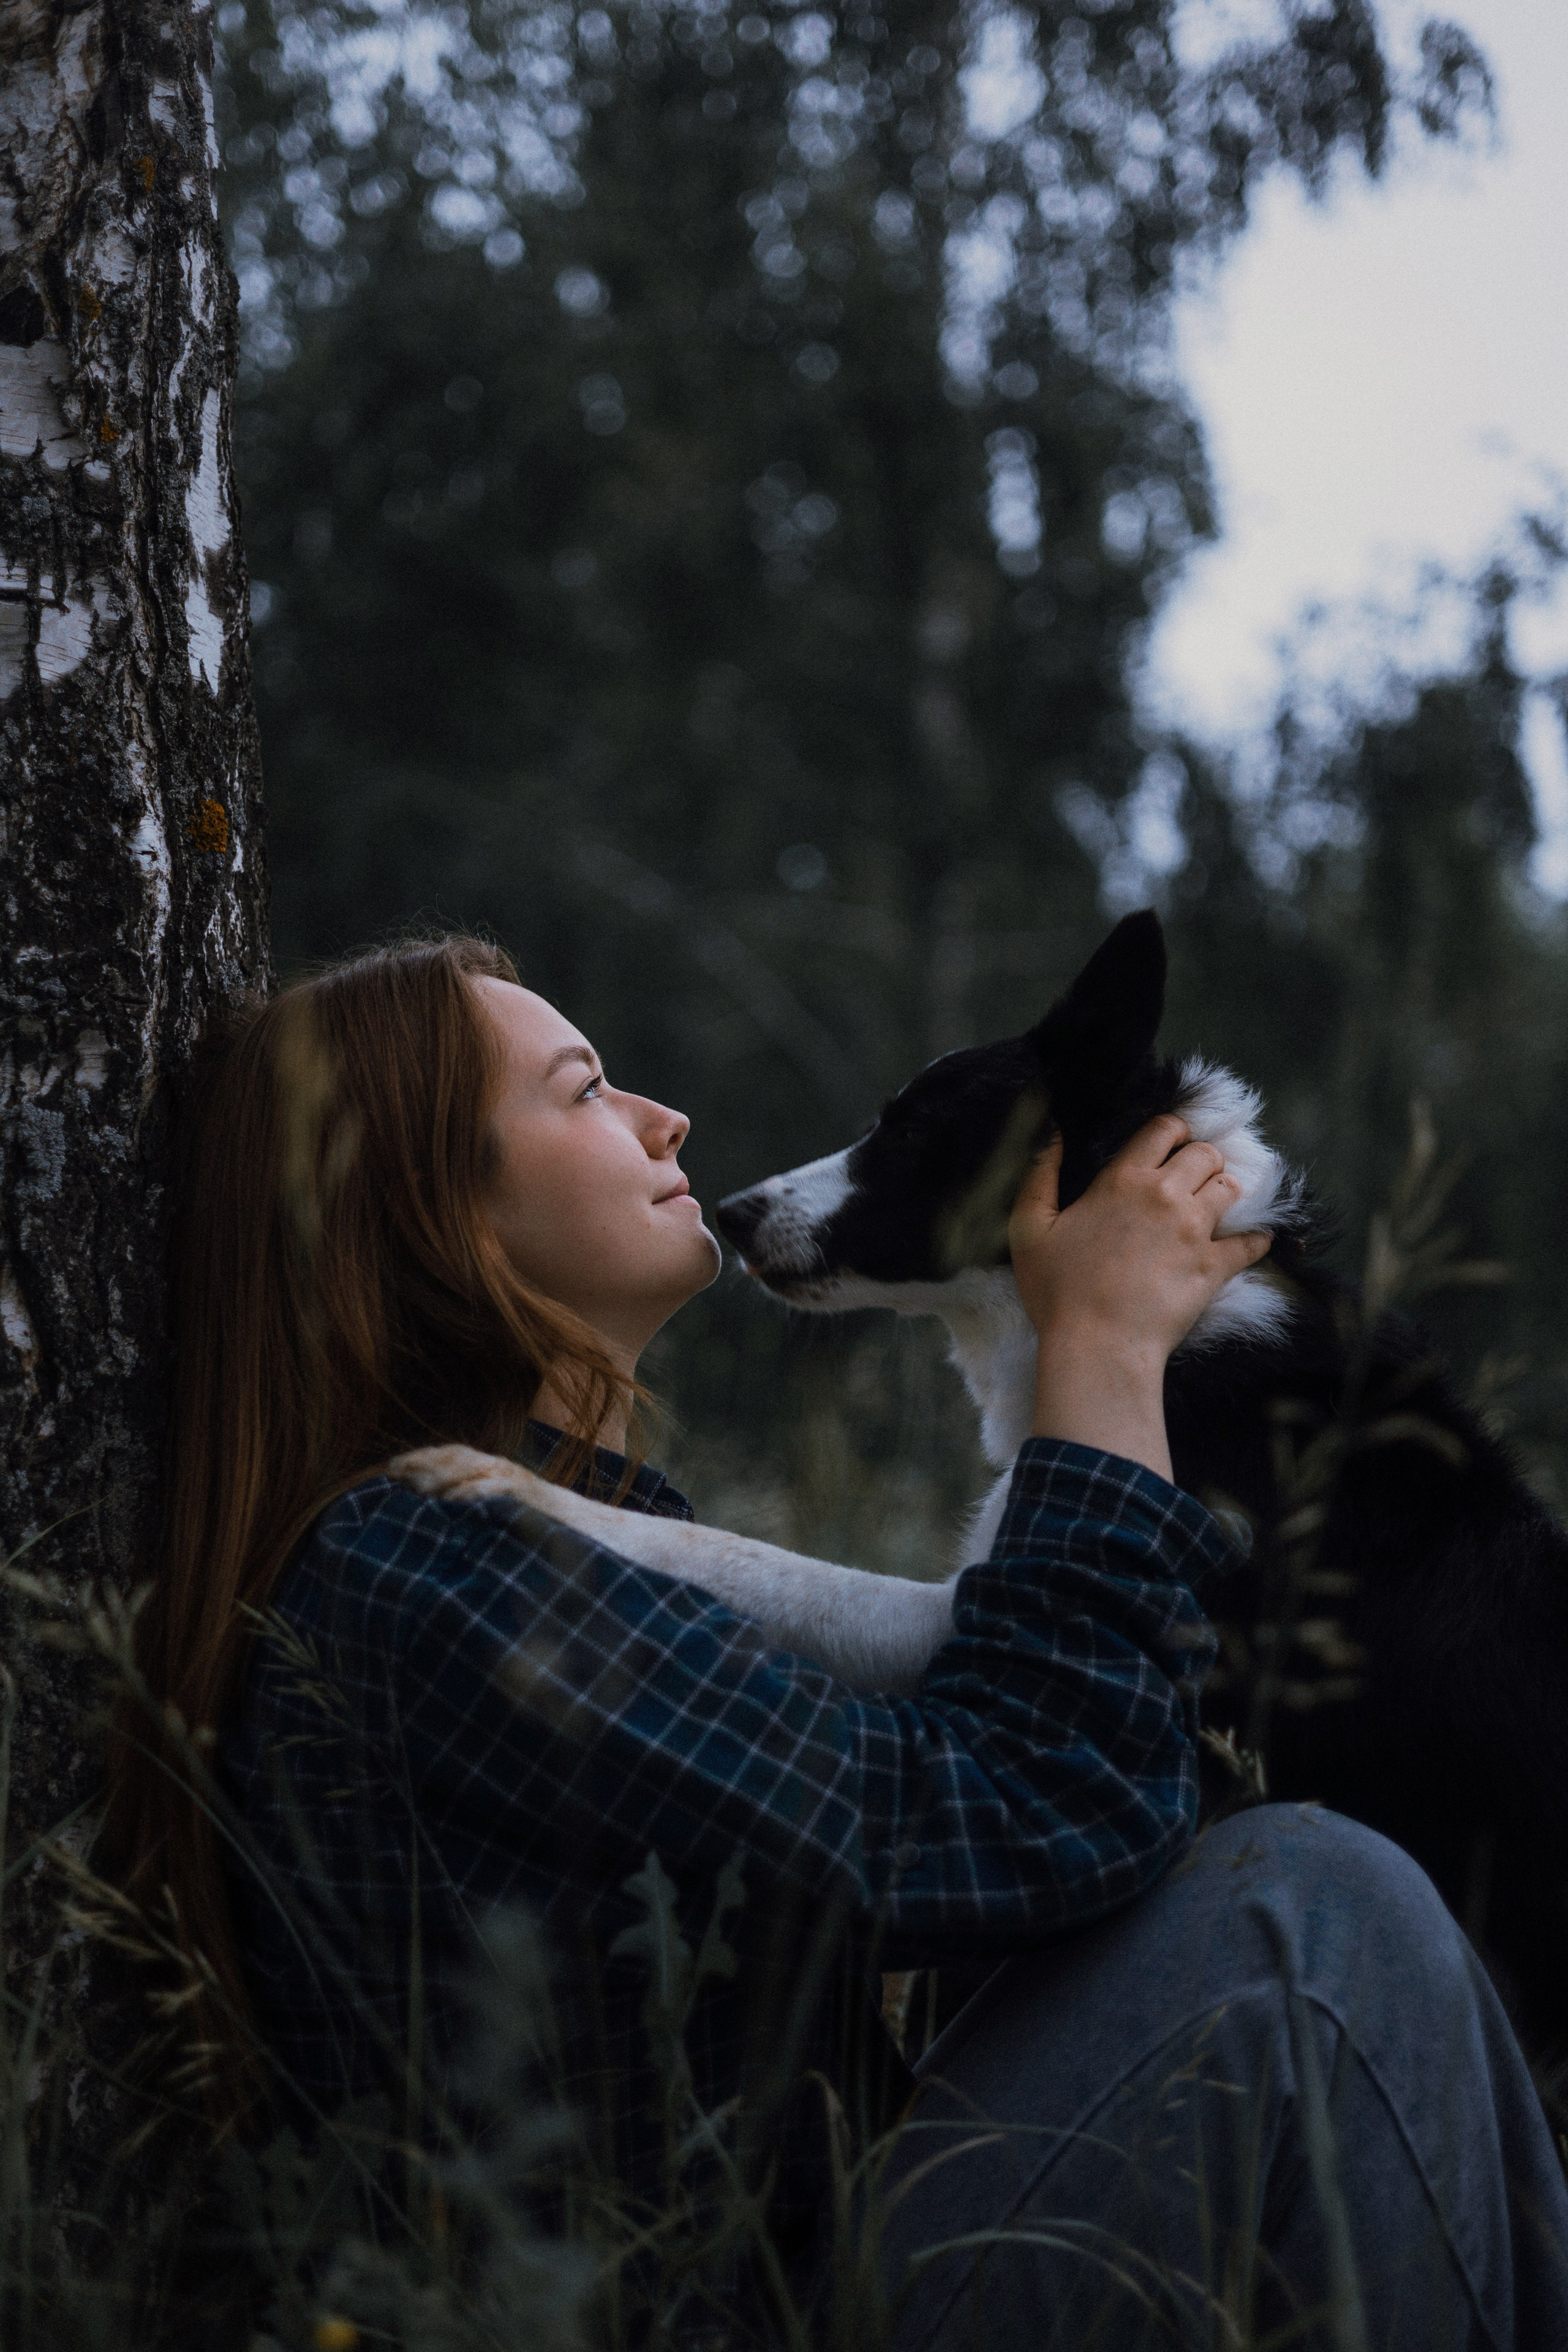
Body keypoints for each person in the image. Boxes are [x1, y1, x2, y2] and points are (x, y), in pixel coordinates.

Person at [109, 935, 1568, 2350]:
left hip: (837, 2248)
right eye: (581, 1086)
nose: (662, 1115)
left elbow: (985, 1821)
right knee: (1312, 1907)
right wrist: (1109, 1352)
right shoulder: (423, 1565)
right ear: (423, 1203)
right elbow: (1036, 1815)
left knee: (1336, 1904)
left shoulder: (542, 1536)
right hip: (726, 2311)